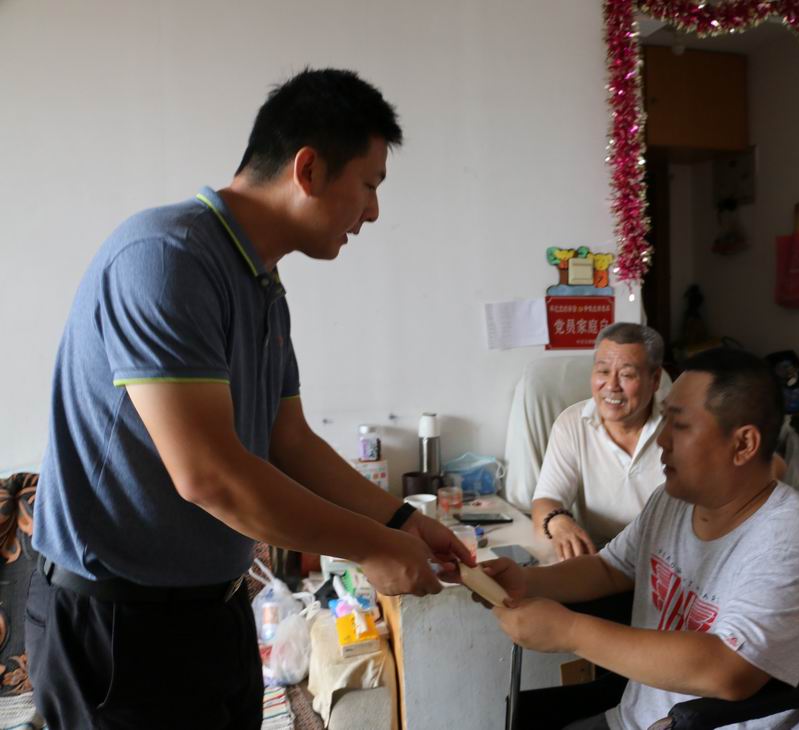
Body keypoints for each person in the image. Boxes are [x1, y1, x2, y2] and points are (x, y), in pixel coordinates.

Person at [27, 68, 473, 729]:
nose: (374, 211)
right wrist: (371, 547)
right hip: (119, 626)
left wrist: (401, 523)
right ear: (309, 169)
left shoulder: (262, 286)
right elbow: (209, 475)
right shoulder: (166, 257)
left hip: (216, 611)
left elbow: (289, 443)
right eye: (370, 184)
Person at [486, 348, 799, 730]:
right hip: (636, 720)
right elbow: (609, 569)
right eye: (664, 420)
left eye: (680, 425)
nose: (661, 439)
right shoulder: (674, 501)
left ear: (743, 444)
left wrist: (569, 632)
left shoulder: (792, 541)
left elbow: (729, 671)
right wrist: (526, 581)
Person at [531, 323, 668, 560]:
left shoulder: (679, 428)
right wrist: (558, 522)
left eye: (626, 375)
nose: (612, 386)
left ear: (654, 380)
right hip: (599, 560)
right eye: (603, 372)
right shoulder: (572, 423)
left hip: (663, 560)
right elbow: (546, 499)